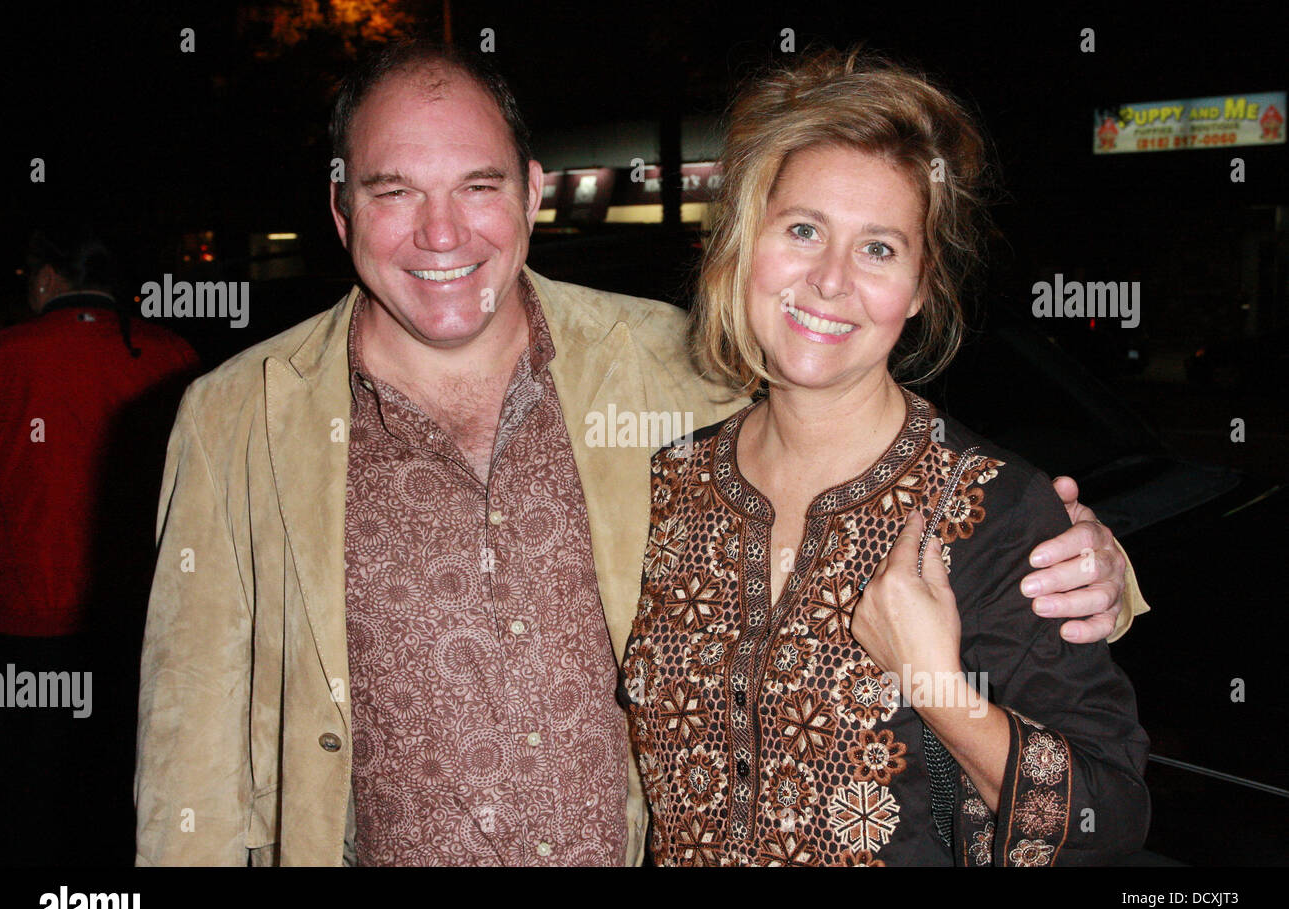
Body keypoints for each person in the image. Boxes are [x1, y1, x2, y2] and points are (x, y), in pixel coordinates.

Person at [135, 38, 1146, 866]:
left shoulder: (665, 372)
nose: (440, 230)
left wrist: (1095, 561)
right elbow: (192, 751)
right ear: (341, 203)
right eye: (394, 190)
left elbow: (890, 444)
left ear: (531, 192)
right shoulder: (236, 418)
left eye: (478, 185)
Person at [621, 48, 1150, 865]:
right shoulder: (666, 483)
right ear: (742, 245)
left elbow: (1104, 818)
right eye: (803, 230)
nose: (831, 280)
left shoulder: (993, 509)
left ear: (921, 286)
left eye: (879, 249)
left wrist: (938, 690)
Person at [0, 223, 199, 864]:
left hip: (19, 622)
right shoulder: (174, 355)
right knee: (120, 782)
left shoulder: (1, 355)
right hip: (137, 622)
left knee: (21, 790)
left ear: (47, 278)